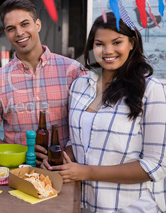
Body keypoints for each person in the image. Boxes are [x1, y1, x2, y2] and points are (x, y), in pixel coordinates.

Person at [46, 12, 166, 212]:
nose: (107, 50)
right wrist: (55, 161)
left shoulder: (151, 89)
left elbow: (155, 165)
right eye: (99, 44)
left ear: (132, 43)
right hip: (83, 203)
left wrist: (86, 172)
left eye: (117, 42)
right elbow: (78, 143)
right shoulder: (79, 86)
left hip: (130, 205)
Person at [0, 0, 86, 165]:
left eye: (25, 24)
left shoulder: (73, 71)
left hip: (65, 170)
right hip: (18, 172)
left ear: (38, 25)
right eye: (11, 28)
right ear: (6, 33)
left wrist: (63, 157)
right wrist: (17, 154)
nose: (19, 33)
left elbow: (85, 126)